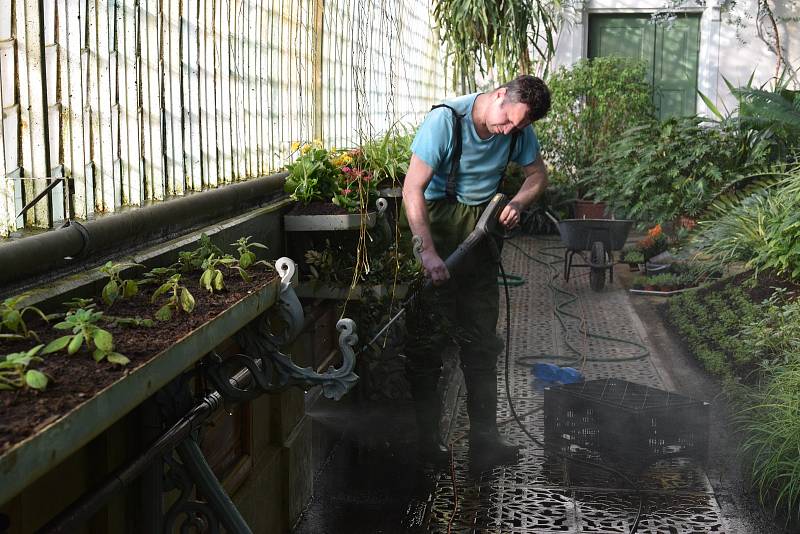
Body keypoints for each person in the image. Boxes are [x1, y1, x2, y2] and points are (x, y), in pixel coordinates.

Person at [401, 75, 551, 469]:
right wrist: (427, 252)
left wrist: (517, 203)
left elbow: (538, 175)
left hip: (483, 236)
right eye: (507, 121)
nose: (508, 131)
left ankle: (486, 440)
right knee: (427, 342)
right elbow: (411, 188)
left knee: (482, 340)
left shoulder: (518, 130)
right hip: (439, 226)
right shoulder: (446, 121)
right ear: (500, 95)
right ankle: (425, 444)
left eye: (518, 127)